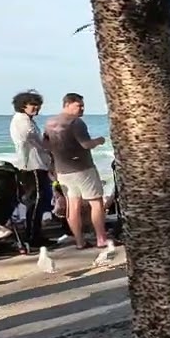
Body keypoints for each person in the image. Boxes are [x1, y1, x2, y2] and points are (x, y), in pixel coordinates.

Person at [43, 93, 109, 248]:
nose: (82, 109)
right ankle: (101, 238)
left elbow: (45, 146)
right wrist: (99, 141)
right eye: (79, 105)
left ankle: (79, 241)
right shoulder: (76, 123)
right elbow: (86, 144)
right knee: (96, 202)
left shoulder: (49, 122)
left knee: (73, 206)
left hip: (63, 171)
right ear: (67, 104)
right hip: (82, 168)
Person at [9, 90, 53, 249]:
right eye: (33, 105)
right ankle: (32, 237)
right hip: (31, 166)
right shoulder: (21, 120)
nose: (36, 108)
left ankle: (36, 235)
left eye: (38, 105)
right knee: (35, 202)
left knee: (39, 202)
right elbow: (29, 137)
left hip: (37, 164)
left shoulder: (28, 120)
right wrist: (45, 143)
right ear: (23, 105)